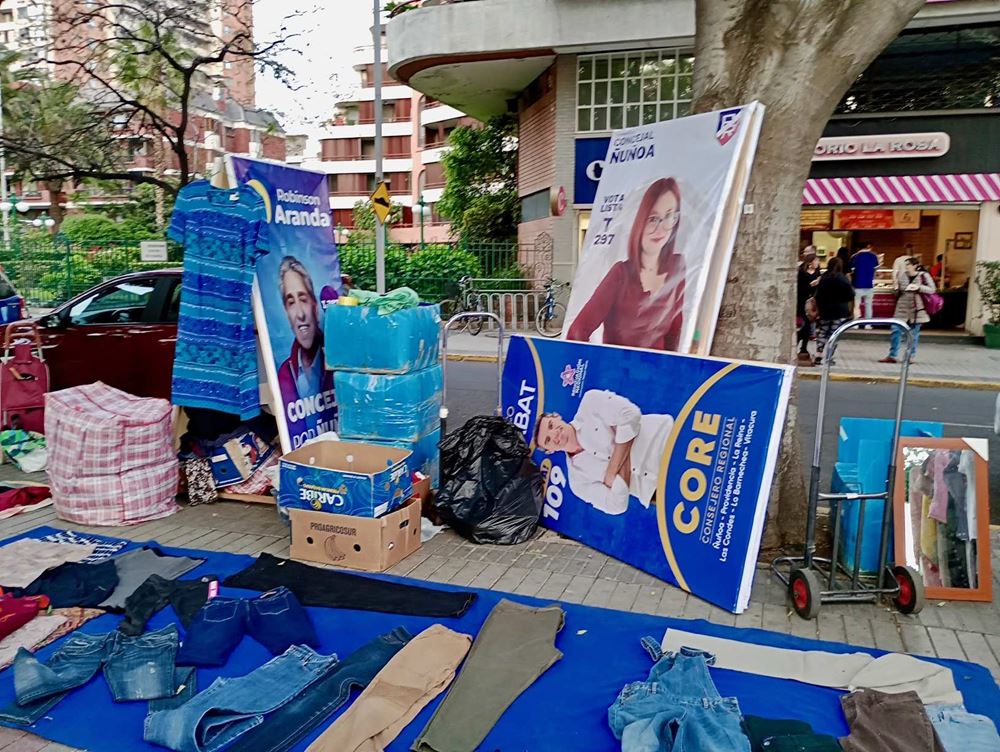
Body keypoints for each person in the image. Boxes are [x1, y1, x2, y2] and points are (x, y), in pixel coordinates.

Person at [567, 178, 686, 351]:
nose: (660, 229)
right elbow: (577, 332)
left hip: (658, 368)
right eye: (653, 219)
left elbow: (674, 332)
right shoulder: (620, 275)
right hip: (618, 368)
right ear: (640, 221)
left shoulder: (677, 266)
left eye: (669, 216)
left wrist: (671, 365)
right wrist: (595, 365)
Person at [533, 389, 674, 515]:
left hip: (665, 443)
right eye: (548, 440)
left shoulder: (590, 403)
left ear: (556, 416)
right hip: (656, 490)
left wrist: (612, 472)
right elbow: (617, 505)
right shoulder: (578, 482)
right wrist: (623, 439)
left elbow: (631, 414)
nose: (555, 434)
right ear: (550, 451)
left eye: (551, 425)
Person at [276, 256, 335, 433]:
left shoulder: (337, 361)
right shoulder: (285, 374)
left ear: (315, 307)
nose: (300, 314)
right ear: (286, 313)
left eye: (303, 299)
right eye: (291, 303)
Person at [880, 256, 936, 364]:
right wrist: (895, 288)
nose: (906, 267)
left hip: (917, 309)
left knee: (914, 334)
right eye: (905, 265)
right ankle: (892, 355)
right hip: (902, 307)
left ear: (915, 266)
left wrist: (919, 287)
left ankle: (910, 356)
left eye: (908, 265)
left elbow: (932, 289)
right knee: (895, 330)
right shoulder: (902, 275)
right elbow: (897, 293)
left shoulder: (923, 275)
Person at [813, 257, 854, 365]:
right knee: (834, 333)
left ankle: (818, 354)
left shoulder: (823, 278)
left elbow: (817, 295)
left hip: (824, 309)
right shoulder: (843, 278)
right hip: (840, 310)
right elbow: (851, 294)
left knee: (823, 331)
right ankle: (829, 357)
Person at [796, 252, 821, 363]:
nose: (817, 263)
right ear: (810, 262)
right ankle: (801, 345)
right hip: (802, 302)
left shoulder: (817, 273)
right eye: (816, 261)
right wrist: (811, 285)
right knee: (806, 325)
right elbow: (800, 288)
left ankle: (803, 346)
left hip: (812, 302)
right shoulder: (802, 272)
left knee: (808, 325)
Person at [850, 242, 879, 323]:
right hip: (869, 284)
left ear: (858, 248)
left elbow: (852, 270)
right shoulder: (873, 256)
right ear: (867, 247)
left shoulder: (855, 256)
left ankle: (855, 324)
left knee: (856, 306)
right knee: (868, 306)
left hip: (857, 285)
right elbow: (876, 269)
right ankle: (868, 324)